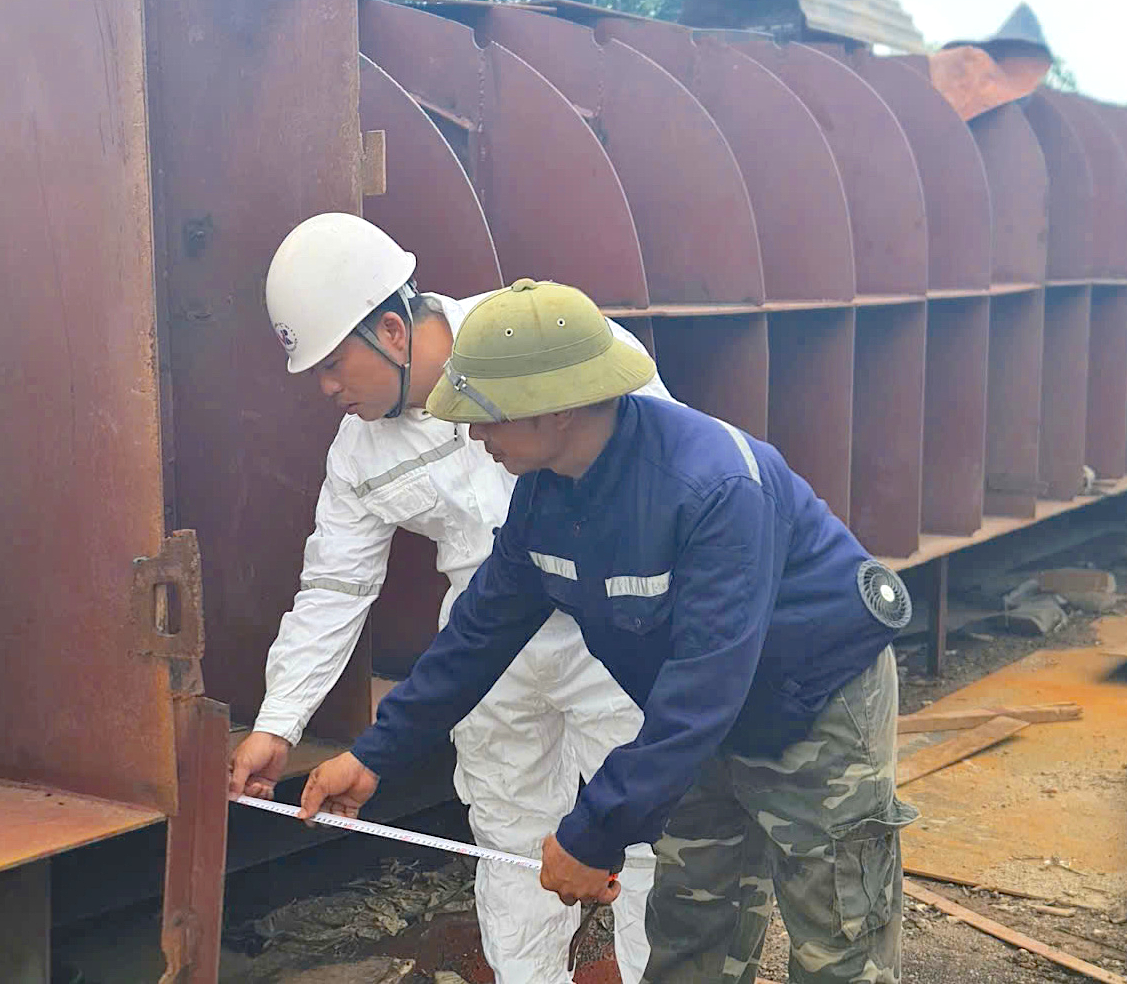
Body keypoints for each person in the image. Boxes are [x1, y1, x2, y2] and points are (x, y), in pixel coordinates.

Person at [298, 278, 918, 984]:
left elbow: (702, 684)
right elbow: (479, 634)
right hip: (699, 718)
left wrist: (592, 830)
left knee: (836, 936)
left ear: (554, 410)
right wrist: (374, 754)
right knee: (689, 928)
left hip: (814, 704)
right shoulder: (544, 494)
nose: (473, 434)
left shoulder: (711, 486)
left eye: (486, 415)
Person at [238, 215, 675, 984]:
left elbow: (664, 466)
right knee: (509, 842)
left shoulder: (532, 340)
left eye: (334, 364)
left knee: (646, 838)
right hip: (487, 654)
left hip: (606, 632)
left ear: (391, 332)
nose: (326, 387)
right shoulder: (358, 454)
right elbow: (335, 586)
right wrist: (280, 720)